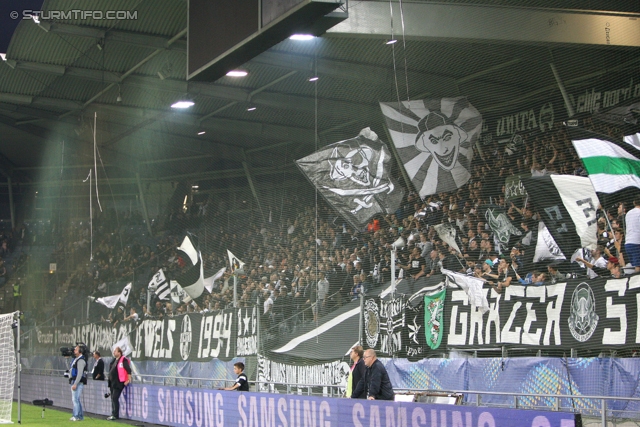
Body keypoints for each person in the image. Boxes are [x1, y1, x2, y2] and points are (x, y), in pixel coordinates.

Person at [107, 346, 132, 421]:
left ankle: (115, 415)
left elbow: (128, 370)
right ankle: (113, 413)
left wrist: (128, 380)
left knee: (115, 398)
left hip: (119, 382)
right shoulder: (114, 360)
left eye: (115, 351)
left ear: (119, 352)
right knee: (112, 398)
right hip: (113, 382)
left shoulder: (123, 359)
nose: (114, 352)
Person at [69, 344, 88, 421]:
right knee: (76, 399)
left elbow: (80, 373)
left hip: (78, 382)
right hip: (75, 381)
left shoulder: (81, 361)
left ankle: (76, 416)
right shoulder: (76, 359)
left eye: (76, 349)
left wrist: (75, 383)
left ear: (80, 351)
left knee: (75, 399)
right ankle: (79, 416)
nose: (74, 350)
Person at [625, 199, 640, 273]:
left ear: (634, 202)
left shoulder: (628, 213)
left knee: (634, 265)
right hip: (637, 242)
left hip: (628, 242)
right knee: (638, 266)